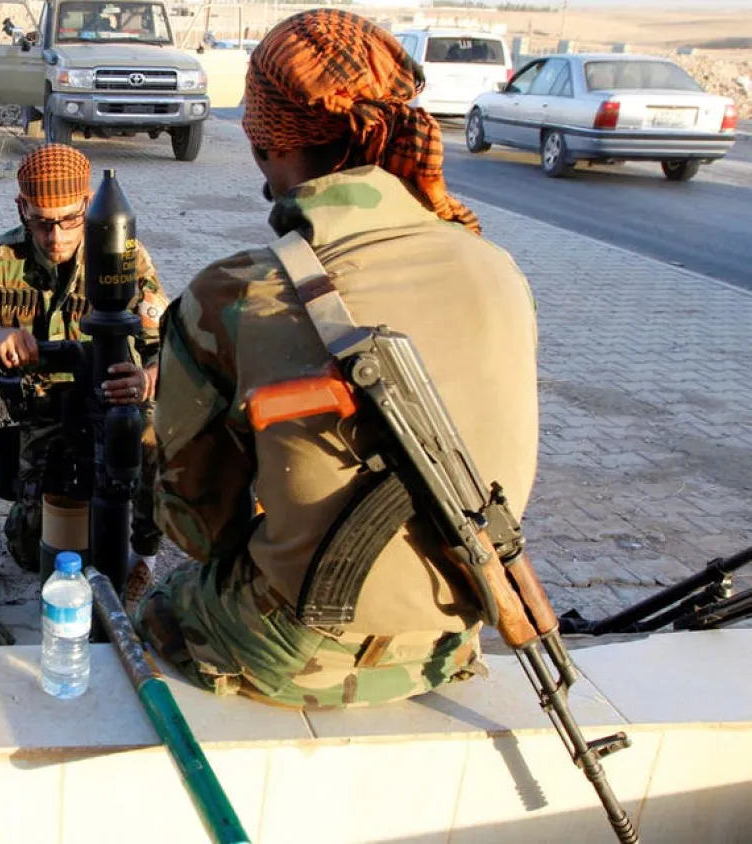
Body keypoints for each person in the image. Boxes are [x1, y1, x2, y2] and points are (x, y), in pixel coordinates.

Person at [138, 8, 539, 709]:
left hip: (305, 652)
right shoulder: (496, 265)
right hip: (465, 626)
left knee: (163, 607)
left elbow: (201, 531)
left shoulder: (239, 293)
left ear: (265, 142)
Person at [0, 143, 168, 575]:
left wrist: (147, 379)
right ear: (21, 208)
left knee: (149, 435)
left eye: (69, 220)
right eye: (40, 222)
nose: (55, 236)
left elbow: (166, 347)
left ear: (88, 206)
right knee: (28, 551)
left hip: (112, 403)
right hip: (42, 415)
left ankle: (145, 557)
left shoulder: (124, 259)